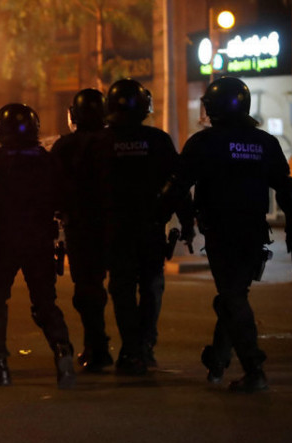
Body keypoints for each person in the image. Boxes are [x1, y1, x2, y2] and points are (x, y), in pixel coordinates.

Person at [166, 76, 292, 392]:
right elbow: (287, 190)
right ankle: (218, 361)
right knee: (233, 294)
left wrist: (159, 217)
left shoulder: (203, 143)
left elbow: (177, 188)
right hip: (254, 233)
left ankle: (254, 368)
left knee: (232, 296)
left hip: (222, 233)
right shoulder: (265, 143)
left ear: (212, 107)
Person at [0, 103, 76, 389]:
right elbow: (65, 201)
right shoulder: (47, 161)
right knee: (45, 303)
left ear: (0, 130)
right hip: (39, 242)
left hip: (3, 242)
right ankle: (62, 352)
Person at [97, 78, 194, 376]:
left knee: (123, 289)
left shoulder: (101, 142)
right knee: (151, 287)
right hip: (150, 227)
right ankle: (144, 346)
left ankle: (131, 349)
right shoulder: (157, 140)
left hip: (114, 230)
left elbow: (85, 189)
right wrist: (187, 222)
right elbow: (178, 184)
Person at [50, 89, 113, 372]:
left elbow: (50, 192)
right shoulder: (116, 141)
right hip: (118, 226)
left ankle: (96, 348)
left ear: (73, 115)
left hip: (80, 228)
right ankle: (138, 351)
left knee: (87, 290)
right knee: (127, 288)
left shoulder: (65, 146)